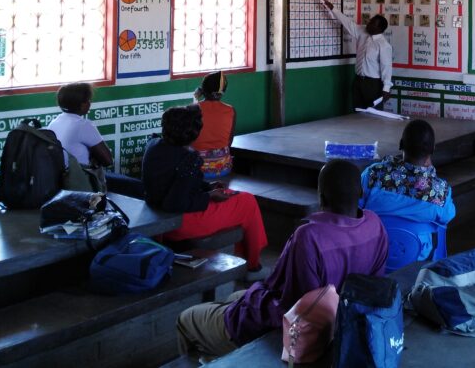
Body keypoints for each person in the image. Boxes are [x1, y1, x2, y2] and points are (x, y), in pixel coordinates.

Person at [176, 158, 388, 359]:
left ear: (321, 198)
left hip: (300, 335)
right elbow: (372, 286)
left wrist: (256, 298)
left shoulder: (309, 237)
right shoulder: (375, 224)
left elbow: (296, 308)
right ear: (360, 192)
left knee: (187, 318)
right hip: (346, 321)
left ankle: (227, 356)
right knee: (238, 296)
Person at [143, 105, 268, 276]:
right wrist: (209, 195)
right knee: (247, 201)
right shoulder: (189, 158)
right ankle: (252, 266)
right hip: (180, 223)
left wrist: (207, 186)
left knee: (236, 197)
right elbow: (174, 203)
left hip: (156, 220)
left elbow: (173, 182)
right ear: (194, 133)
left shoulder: (153, 145)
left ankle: (246, 260)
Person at [361, 118, 456, 260]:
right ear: (432, 150)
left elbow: (358, 206)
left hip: (373, 256)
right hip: (417, 263)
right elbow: (447, 217)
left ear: (401, 145)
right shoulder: (440, 191)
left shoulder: (373, 175)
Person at [321, 0, 393, 110]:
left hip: (373, 84)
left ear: (379, 28)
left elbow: (386, 68)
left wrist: (386, 89)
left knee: (373, 116)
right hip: (358, 81)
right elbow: (348, 23)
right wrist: (333, 9)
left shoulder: (384, 45)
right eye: (370, 21)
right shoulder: (362, 32)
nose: (368, 24)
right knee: (357, 112)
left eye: (372, 23)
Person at [47, 82, 113, 169]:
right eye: (88, 100)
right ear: (82, 104)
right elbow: (108, 161)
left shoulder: (54, 122)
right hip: (79, 179)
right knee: (132, 183)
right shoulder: (84, 125)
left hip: (58, 178)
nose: (90, 104)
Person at [191, 71, 235, 179]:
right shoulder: (231, 110)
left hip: (197, 169)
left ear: (203, 90)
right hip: (223, 168)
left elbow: (188, 139)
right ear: (222, 92)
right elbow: (229, 141)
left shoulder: (193, 109)